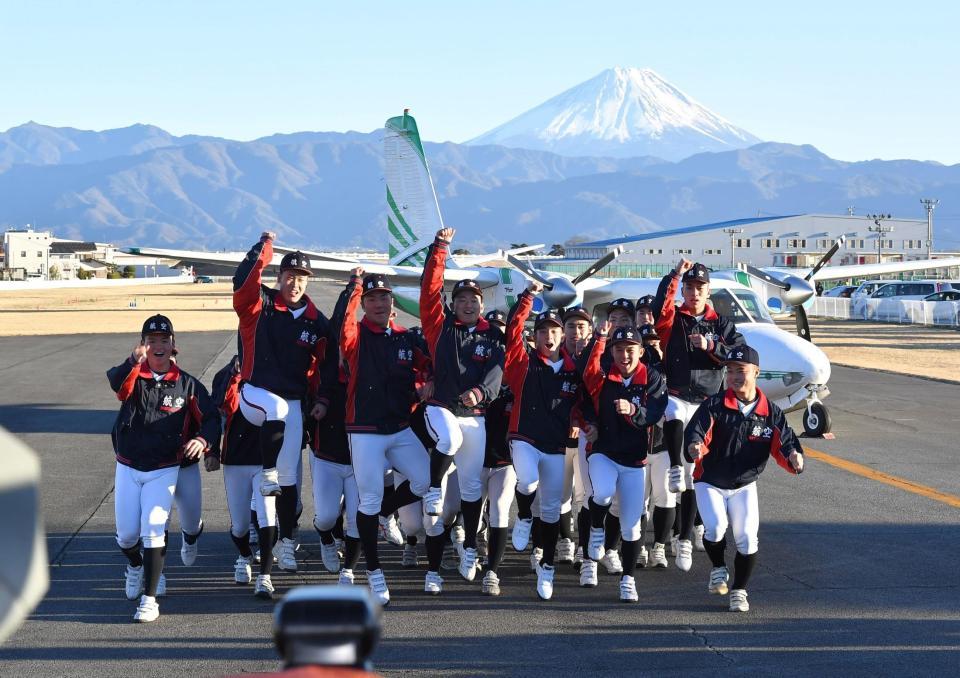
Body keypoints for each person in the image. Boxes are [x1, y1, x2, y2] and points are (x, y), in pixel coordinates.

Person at [106, 314, 220, 622]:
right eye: (151, 341)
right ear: (143, 345)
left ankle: (150, 599)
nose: (158, 346)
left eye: (164, 340)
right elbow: (117, 383)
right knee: (127, 537)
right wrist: (132, 360)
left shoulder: (188, 385)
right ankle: (134, 566)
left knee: (154, 527)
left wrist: (203, 440)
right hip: (129, 466)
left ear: (174, 346)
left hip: (165, 467)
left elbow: (211, 418)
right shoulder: (134, 376)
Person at [233, 232, 330, 576]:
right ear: (279, 277)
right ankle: (267, 473)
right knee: (276, 412)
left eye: (302, 278)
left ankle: (286, 542)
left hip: (292, 403)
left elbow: (331, 363)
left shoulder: (316, 322)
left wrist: (323, 398)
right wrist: (264, 248)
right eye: (290, 276)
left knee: (289, 482)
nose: (295, 283)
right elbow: (242, 280)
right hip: (253, 393)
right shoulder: (259, 305)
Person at [340, 268, 436, 605]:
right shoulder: (355, 336)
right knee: (366, 500)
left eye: (385, 297)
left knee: (428, 481)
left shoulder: (405, 338)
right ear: (364, 303)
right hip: (365, 430)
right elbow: (343, 324)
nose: (380, 302)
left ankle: (384, 513)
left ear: (392, 302)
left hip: (399, 427)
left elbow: (431, 364)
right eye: (372, 298)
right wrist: (353, 286)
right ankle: (374, 571)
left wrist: (427, 380)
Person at [684, 345, 804, 612]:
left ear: (756, 372)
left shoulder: (769, 412)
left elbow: (785, 443)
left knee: (747, 539)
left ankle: (739, 590)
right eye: (730, 371)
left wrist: (794, 458)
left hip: (744, 484)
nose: (735, 376)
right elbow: (696, 433)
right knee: (714, 528)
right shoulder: (713, 405)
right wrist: (695, 447)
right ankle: (717, 566)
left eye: (741, 370)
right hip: (710, 480)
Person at [419, 228, 504, 586]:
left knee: (472, 490)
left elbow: (498, 373)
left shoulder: (492, 336)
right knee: (448, 441)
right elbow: (428, 289)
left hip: (477, 418)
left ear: (482, 304)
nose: (468, 304)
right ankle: (434, 487)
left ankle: (470, 545)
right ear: (453, 304)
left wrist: (481, 394)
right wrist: (440, 249)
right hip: (441, 409)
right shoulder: (440, 328)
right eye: (462, 299)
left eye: (474, 299)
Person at [655, 259, 744, 573]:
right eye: (689, 287)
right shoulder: (673, 318)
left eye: (700, 287)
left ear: (709, 291)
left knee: (695, 474)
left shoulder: (720, 322)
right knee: (674, 417)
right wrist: (674, 273)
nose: (694, 293)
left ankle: (684, 538)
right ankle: (674, 466)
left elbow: (738, 353)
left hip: (707, 400)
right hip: (678, 392)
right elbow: (658, 308)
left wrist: (711, 345)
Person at [504, 283, 585, 600]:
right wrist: (526, 298)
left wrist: (578, 420)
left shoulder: (571, 370)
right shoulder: (523, 362)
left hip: (554, 445)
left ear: (562, 336)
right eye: (542, 331)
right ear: (534, 336)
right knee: (526, 480)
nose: (548, 336)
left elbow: (581, 402)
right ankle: (523, 516)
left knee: (552, 509)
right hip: (524, 437)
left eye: (554, 331)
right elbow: (512, 332)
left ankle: (547, 567)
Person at [582, 324, 668, 602]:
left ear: (641, 351)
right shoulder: (605, 374)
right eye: (618, 350)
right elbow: (587, 378)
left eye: (630, 350)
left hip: (634, 459)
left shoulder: (652, 377)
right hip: (603, 451)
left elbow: (655, 411)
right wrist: (599, 339)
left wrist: (634, 411)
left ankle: (628, 579)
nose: (624, 356)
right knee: (602, 493)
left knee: (632, 525)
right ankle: (596, 528)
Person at [212, 355, 278, 599]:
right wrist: (235, 375)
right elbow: (222, 406)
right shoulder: (227, 374)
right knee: (240, 526)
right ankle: (244, 556)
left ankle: (265, 577)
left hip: (265, 460)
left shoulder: (273, 371)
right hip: (236, 460)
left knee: (267, 518)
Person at [310, 281, 362, 587]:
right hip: (326, 454)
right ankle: (326, 538)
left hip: (359, 457)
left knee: (357, 519)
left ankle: (349, 570)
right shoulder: (325, 368)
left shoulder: (368, 366)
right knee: (327, 517)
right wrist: (352, 288)